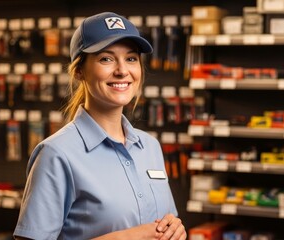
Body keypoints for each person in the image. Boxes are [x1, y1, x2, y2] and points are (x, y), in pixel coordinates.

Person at [13, 12, 187, 240]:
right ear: (79, 71)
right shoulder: (57, 155)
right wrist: (125, 238)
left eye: (131, 59)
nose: (122, 70)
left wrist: (175, 229)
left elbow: (165, 223)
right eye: (106, 58)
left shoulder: (150, 147)